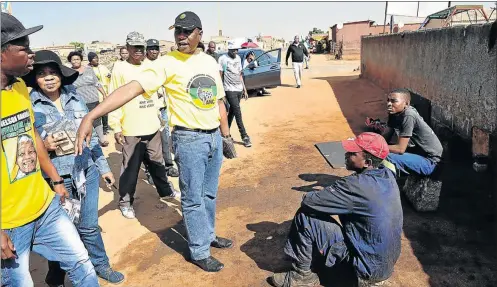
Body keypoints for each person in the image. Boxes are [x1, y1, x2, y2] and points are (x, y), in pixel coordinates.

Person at [75, 11, 233, 273]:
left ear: (200, 34)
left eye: (187, 31)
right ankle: (200, 250)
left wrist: (226, 136)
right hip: (189, 138)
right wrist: (93, 115)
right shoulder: (165, 64)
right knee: (193, 198)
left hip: (213, 137)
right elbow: (130, 89)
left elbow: (218, 101)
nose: (181, 36)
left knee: (209, 194)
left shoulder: (207, 61)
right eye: (177, 31)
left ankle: (208, 235)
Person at [1, 12, 100, 287]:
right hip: (9, 221)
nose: (31, 55)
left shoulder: (19, 88)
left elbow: (31, 136)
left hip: (45, 207)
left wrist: (55, 179)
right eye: (24, 49)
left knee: (83, 266)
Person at [23, 50, 125, 285]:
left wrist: (104, 168)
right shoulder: (29, 104)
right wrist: (44, 147)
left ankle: (100, 265)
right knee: (61, 233)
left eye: (53, 73)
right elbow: (22, 148)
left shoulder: (76, 97)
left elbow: (89, 138)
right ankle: (57, 273)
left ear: (61, 75)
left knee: (89, 227)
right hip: (55, 179)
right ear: (35, 79)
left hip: (85, 171)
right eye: (42, 74)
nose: (48, 78)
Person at [270, 132, 402, 287]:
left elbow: (309, 202)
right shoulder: (387, 175)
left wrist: (323, 194)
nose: (346, 154)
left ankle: (302, 276)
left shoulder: (354, 185)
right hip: (384, 266)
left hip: (362, 271)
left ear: (367, 162)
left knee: (305, 216)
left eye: (353, 153)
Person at [108, 31, 177, 219]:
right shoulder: (119, 69)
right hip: (131, 127)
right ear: (127, 48)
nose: (138, 51)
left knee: (157, 163)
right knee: (130, 168)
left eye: (141, 47)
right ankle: (125, 202)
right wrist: (116, 126)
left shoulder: (151, 66)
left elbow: (158, 94)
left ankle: (165, 191)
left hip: (152, 125)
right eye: (134, 47)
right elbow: (113, 97)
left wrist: (161, 117)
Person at [383, 88, 443, 176]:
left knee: (385, 157)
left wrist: (375, 148)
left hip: (432, 162)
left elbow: (400, 149)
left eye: (393, 101)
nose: (389, 104)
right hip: (419, 153)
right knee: (379, 152)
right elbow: (386, 135)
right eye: (388, 100)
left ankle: (390, 186)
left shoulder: (409, 115)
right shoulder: (394, 112)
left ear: (406, 104)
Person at [143, 38, 179, 179]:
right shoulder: (143, 66)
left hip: (163, 107)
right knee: (151, 141)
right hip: (150, 108)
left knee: (165, 138)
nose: (154, 51)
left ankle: (169, 165)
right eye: (151, 48)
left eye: (156, 48)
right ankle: (151, 171)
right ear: (147, 50)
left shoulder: (162, 64)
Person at [68, 51, 109, 147]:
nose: (76, 61)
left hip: (93, 99)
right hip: (79, 103)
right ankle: (88, 141)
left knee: (97, 120)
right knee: (83, 121)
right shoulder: (69, 73)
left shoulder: (89, 70)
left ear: (81, 60)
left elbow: (97, 83)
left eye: (77, 59)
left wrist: (104, 94)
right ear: (70, 61)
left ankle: (102, 139)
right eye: (73, 59)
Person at [218, 44, 252, 147]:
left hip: (238, 89)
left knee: (232, 112)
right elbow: (220, 75)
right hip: (229, 89)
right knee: (237, 112)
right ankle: (244, 136)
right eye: (233, 50)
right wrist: (220, 92)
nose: (235, 52)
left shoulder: (238, 58)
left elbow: (240, 74)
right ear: (229, 50)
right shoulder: (223, 59)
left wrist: (244, 89)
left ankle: (223, 133)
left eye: (236, 50)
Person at [88, 52, 112, 135]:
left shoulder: (103, 67)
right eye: (94, 58)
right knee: (97, 112)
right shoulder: (88, 69)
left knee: (105, 111)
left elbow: (109, 75)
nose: (96, 59)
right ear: (90, 60)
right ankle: (97, 129)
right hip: (95, 94)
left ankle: (105, 128)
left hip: (105, 92)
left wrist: (109, 76)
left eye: (97, 57)